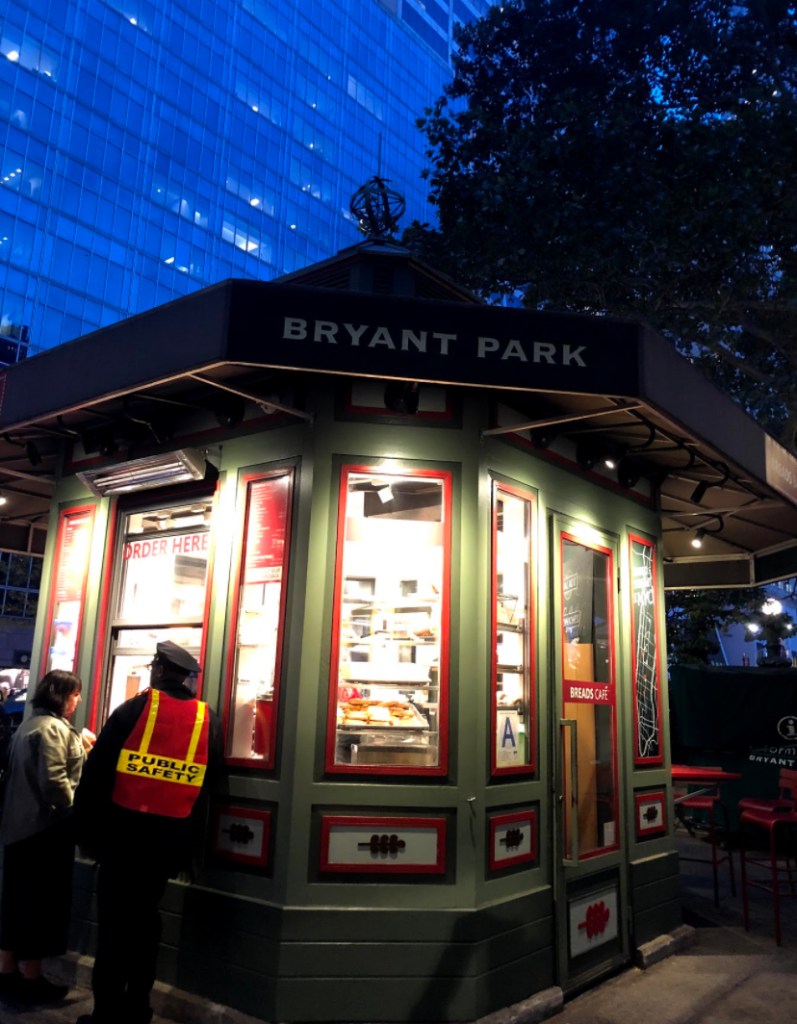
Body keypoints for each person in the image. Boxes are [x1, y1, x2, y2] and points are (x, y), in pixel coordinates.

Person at [74, 640, 223, 1024]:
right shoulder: (208, 719)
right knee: (145, 922)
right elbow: (213, 785)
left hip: (121, 841)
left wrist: (86, 835)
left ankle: (106, 1013)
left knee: (113, 926)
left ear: (158, 670)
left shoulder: (133, 709)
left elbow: (95, 776)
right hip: (168, 846)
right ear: (185, 677)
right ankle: (138, 1007)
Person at [0, 669, 90, 1002]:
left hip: (18, 828)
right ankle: (32, 977)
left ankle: (6, 970)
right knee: (40, 904)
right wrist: (74, 811)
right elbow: (54, 781)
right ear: (61, 696)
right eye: (75, 694)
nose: (78, 700)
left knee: (16, 901)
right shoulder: (53, 729)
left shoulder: (30, 724)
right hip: (44, 831)